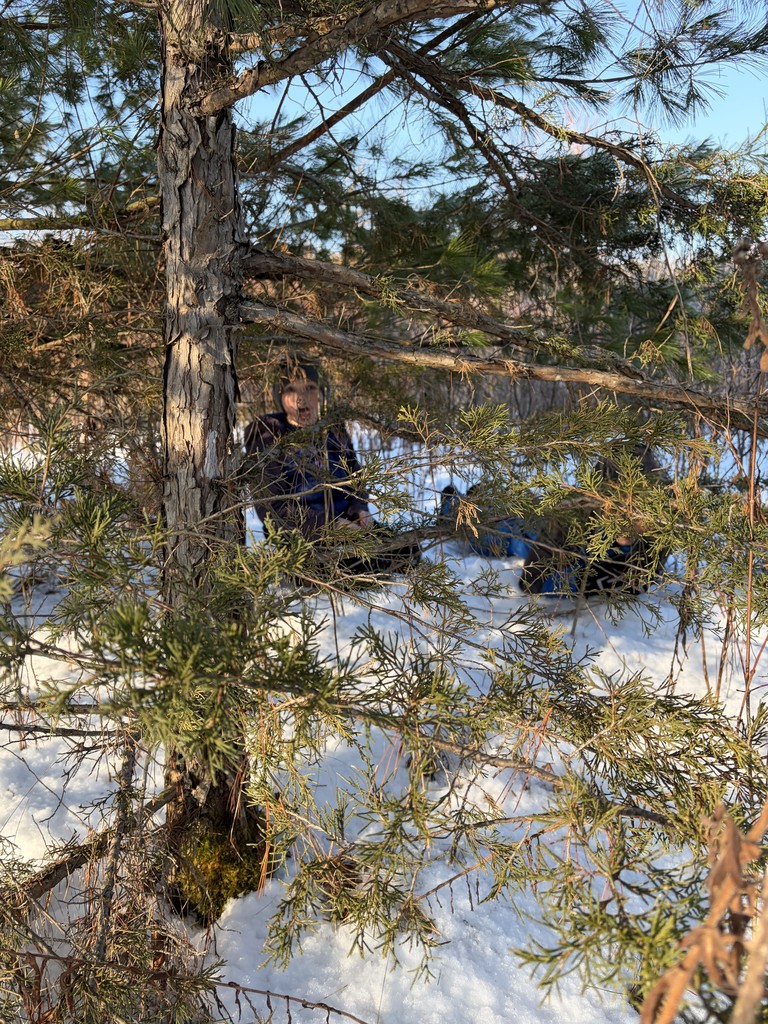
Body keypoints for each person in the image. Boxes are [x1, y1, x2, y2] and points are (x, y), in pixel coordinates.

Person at [243, 357, 420, 576]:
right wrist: (330, 525)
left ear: (321, 393)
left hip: (348, 523)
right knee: (349, 568)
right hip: (302, 536)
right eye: (290, 389)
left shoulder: (333, 428)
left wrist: (360, 508)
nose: (300, 398)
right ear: (279, 396)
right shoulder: (267, 434)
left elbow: (355, 473)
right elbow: (271, 509)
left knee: (407, 550)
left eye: (310, 387)